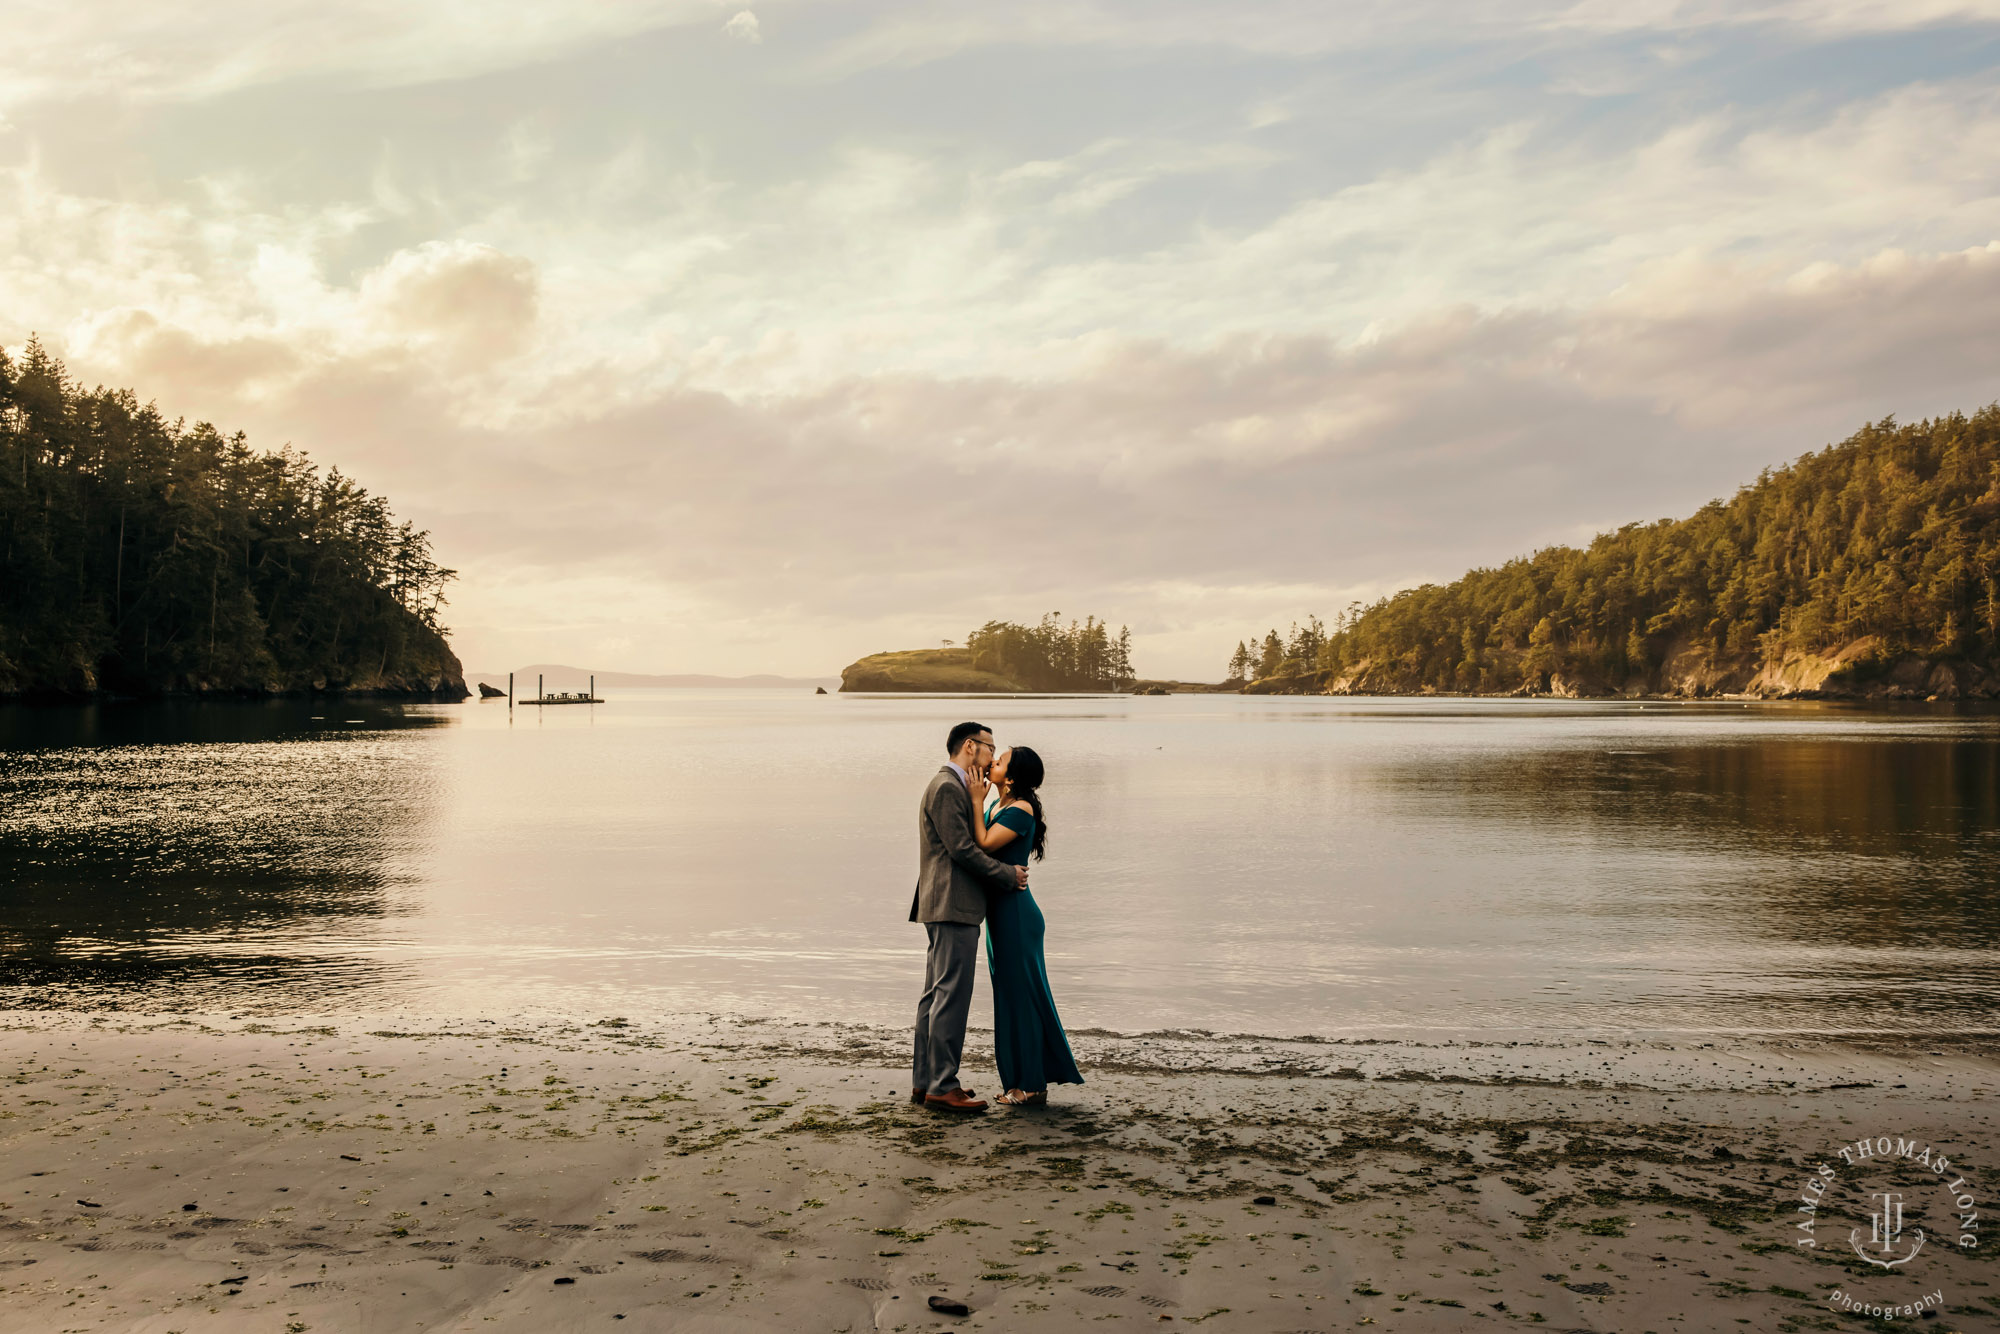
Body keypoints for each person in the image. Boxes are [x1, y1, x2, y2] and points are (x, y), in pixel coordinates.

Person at [910, 721, 1029, 1113]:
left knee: (936, 995)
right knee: (950, 997)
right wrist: (1007, 875)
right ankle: (942, 1086)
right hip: (952, 903)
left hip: (943, 903)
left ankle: (927, 1082)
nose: (993, 756)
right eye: (989, 747)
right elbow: (962, 850)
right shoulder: (947, 786)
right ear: (969, 746)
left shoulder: (955, 785)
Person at [971, 745, 1082, 1106]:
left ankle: (1032, 1084)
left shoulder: (1021, 808)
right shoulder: (1000, 805)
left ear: (1013, 777)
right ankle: (1021, 1080)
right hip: (1001, 915)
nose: (992, 763)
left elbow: (984, 844)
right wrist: (983, 802)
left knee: (1023, 999)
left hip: (1017, 916)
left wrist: (975, 800)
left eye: (999, 761)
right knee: (1010, 998)